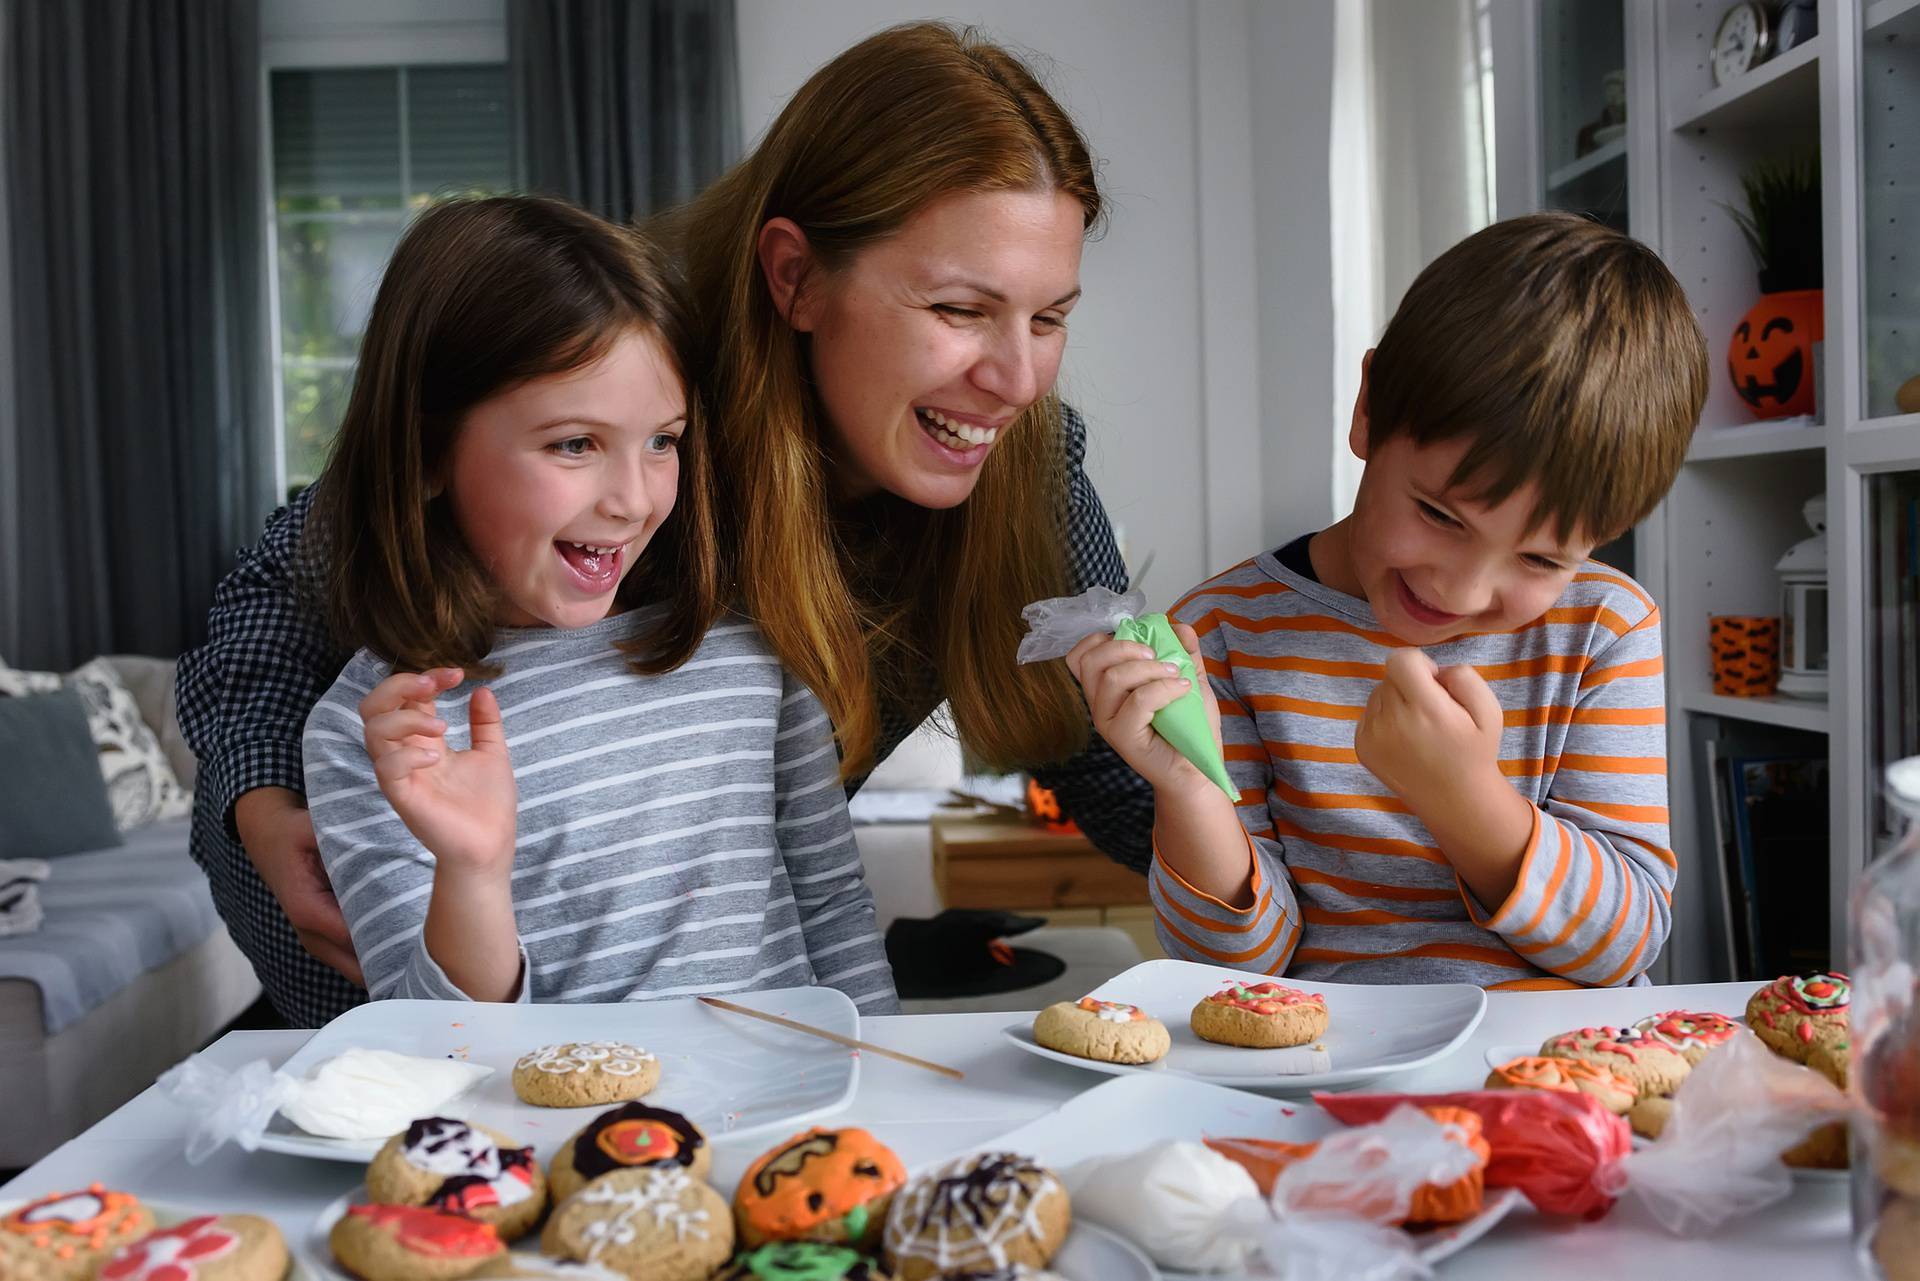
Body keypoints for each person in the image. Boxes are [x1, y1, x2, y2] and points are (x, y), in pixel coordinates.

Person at [176, 21, 1150, 1025]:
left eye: (1049, 318)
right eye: (957, 309)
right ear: (795, 277)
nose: (1017, 381)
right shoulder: (632, 367)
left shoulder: (1025, 472)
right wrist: (259, 798)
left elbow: (1116, 780)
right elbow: (280, 586)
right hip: (380, 968)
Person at [1067, 213, 1707, 989]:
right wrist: (1192, 789)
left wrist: (1463, 796)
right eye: (1441, 515)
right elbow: (1230, 971)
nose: (1463, 589)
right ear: (1368, 407)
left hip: (1555, 1074)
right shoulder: (1226, 631)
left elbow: (1625, 945)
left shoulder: (1604, 629)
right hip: (1328, 1065)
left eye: (1540, 558)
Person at [297, 195, 894, 1010]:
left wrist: (882, 1083)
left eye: (663, 441)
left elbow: (833, 909)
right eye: (575, 444)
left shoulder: (751, 651)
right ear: (429, 452)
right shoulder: (372, 740)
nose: (633, 499)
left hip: (791, 1128)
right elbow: (429, 1046)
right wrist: (473, 870)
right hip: (556, 1135)